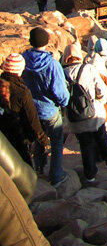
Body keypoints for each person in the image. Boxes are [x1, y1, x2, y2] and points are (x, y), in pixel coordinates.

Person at [61, 42, 107, 182]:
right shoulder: (88, 68)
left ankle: (90, 173)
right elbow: (102, 90)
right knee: (102, 136)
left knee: (85, 145)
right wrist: (99, 100)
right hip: (93, 114)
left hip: (74, 117)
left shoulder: (61, 73)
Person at [22, 27, 69, 187]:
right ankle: (56, 175)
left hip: (30, 109)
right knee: (56, 141)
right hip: (49, 110)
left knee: (37, 138)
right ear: (47, 42)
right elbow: (60, 92)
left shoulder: (23, 60)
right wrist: (64, 103)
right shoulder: (52, 64)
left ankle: (39, 168)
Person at [1, 53, 49, 166]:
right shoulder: (22, 92)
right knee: (24, 169)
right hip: (18, 136)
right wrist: (43, 139)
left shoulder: (2, 85)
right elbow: (32, 119)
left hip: (2, 136)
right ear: (20, 69)